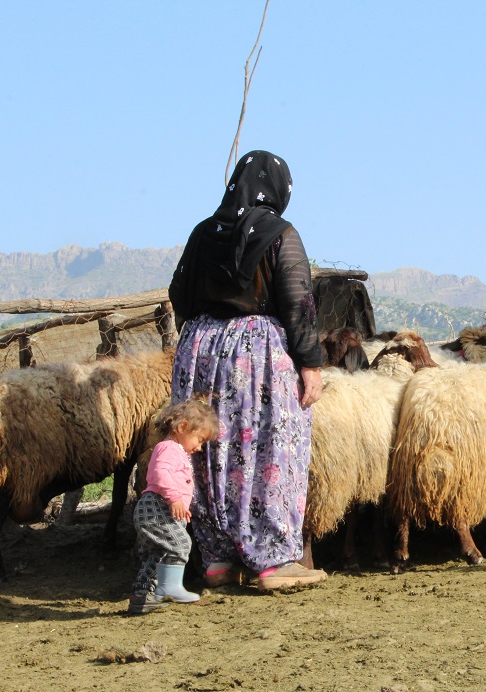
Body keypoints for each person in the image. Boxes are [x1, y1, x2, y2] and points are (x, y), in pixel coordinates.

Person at [168, 150, 327, 591]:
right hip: (255, 355)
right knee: (270, 448)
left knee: (210, 451)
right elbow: (299, 302)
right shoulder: (280, 233)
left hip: (199, 350)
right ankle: (272, 560)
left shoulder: (203, 232)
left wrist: (207, 327)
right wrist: (310, 363)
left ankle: (217, 559)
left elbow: (179, 293)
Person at [129, 399, 220, 615]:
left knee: (157, 554)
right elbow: (160, 474)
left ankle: (142, 597)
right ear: (182, 427)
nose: (199, 447)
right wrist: (174, 499)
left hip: (155, 509)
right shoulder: (169, 448)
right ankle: (170, 587)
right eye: (199, 440)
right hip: (156, 507)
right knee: (180, 543)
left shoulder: (174, 450)